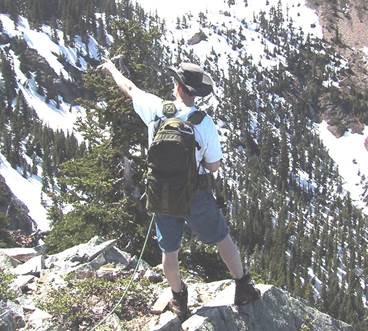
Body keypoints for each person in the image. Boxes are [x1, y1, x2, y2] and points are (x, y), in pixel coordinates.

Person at [101, 60, 260, 320]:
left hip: (161, 191)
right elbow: (213, 166)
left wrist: (112, 68)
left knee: (169, 251)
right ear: (196, 93)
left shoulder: (154, 107)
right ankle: (242, 286)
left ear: (177, 85)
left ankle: (179, 300)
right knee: (222, 238)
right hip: (194, 193)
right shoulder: (202, 121)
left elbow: (129, 88)